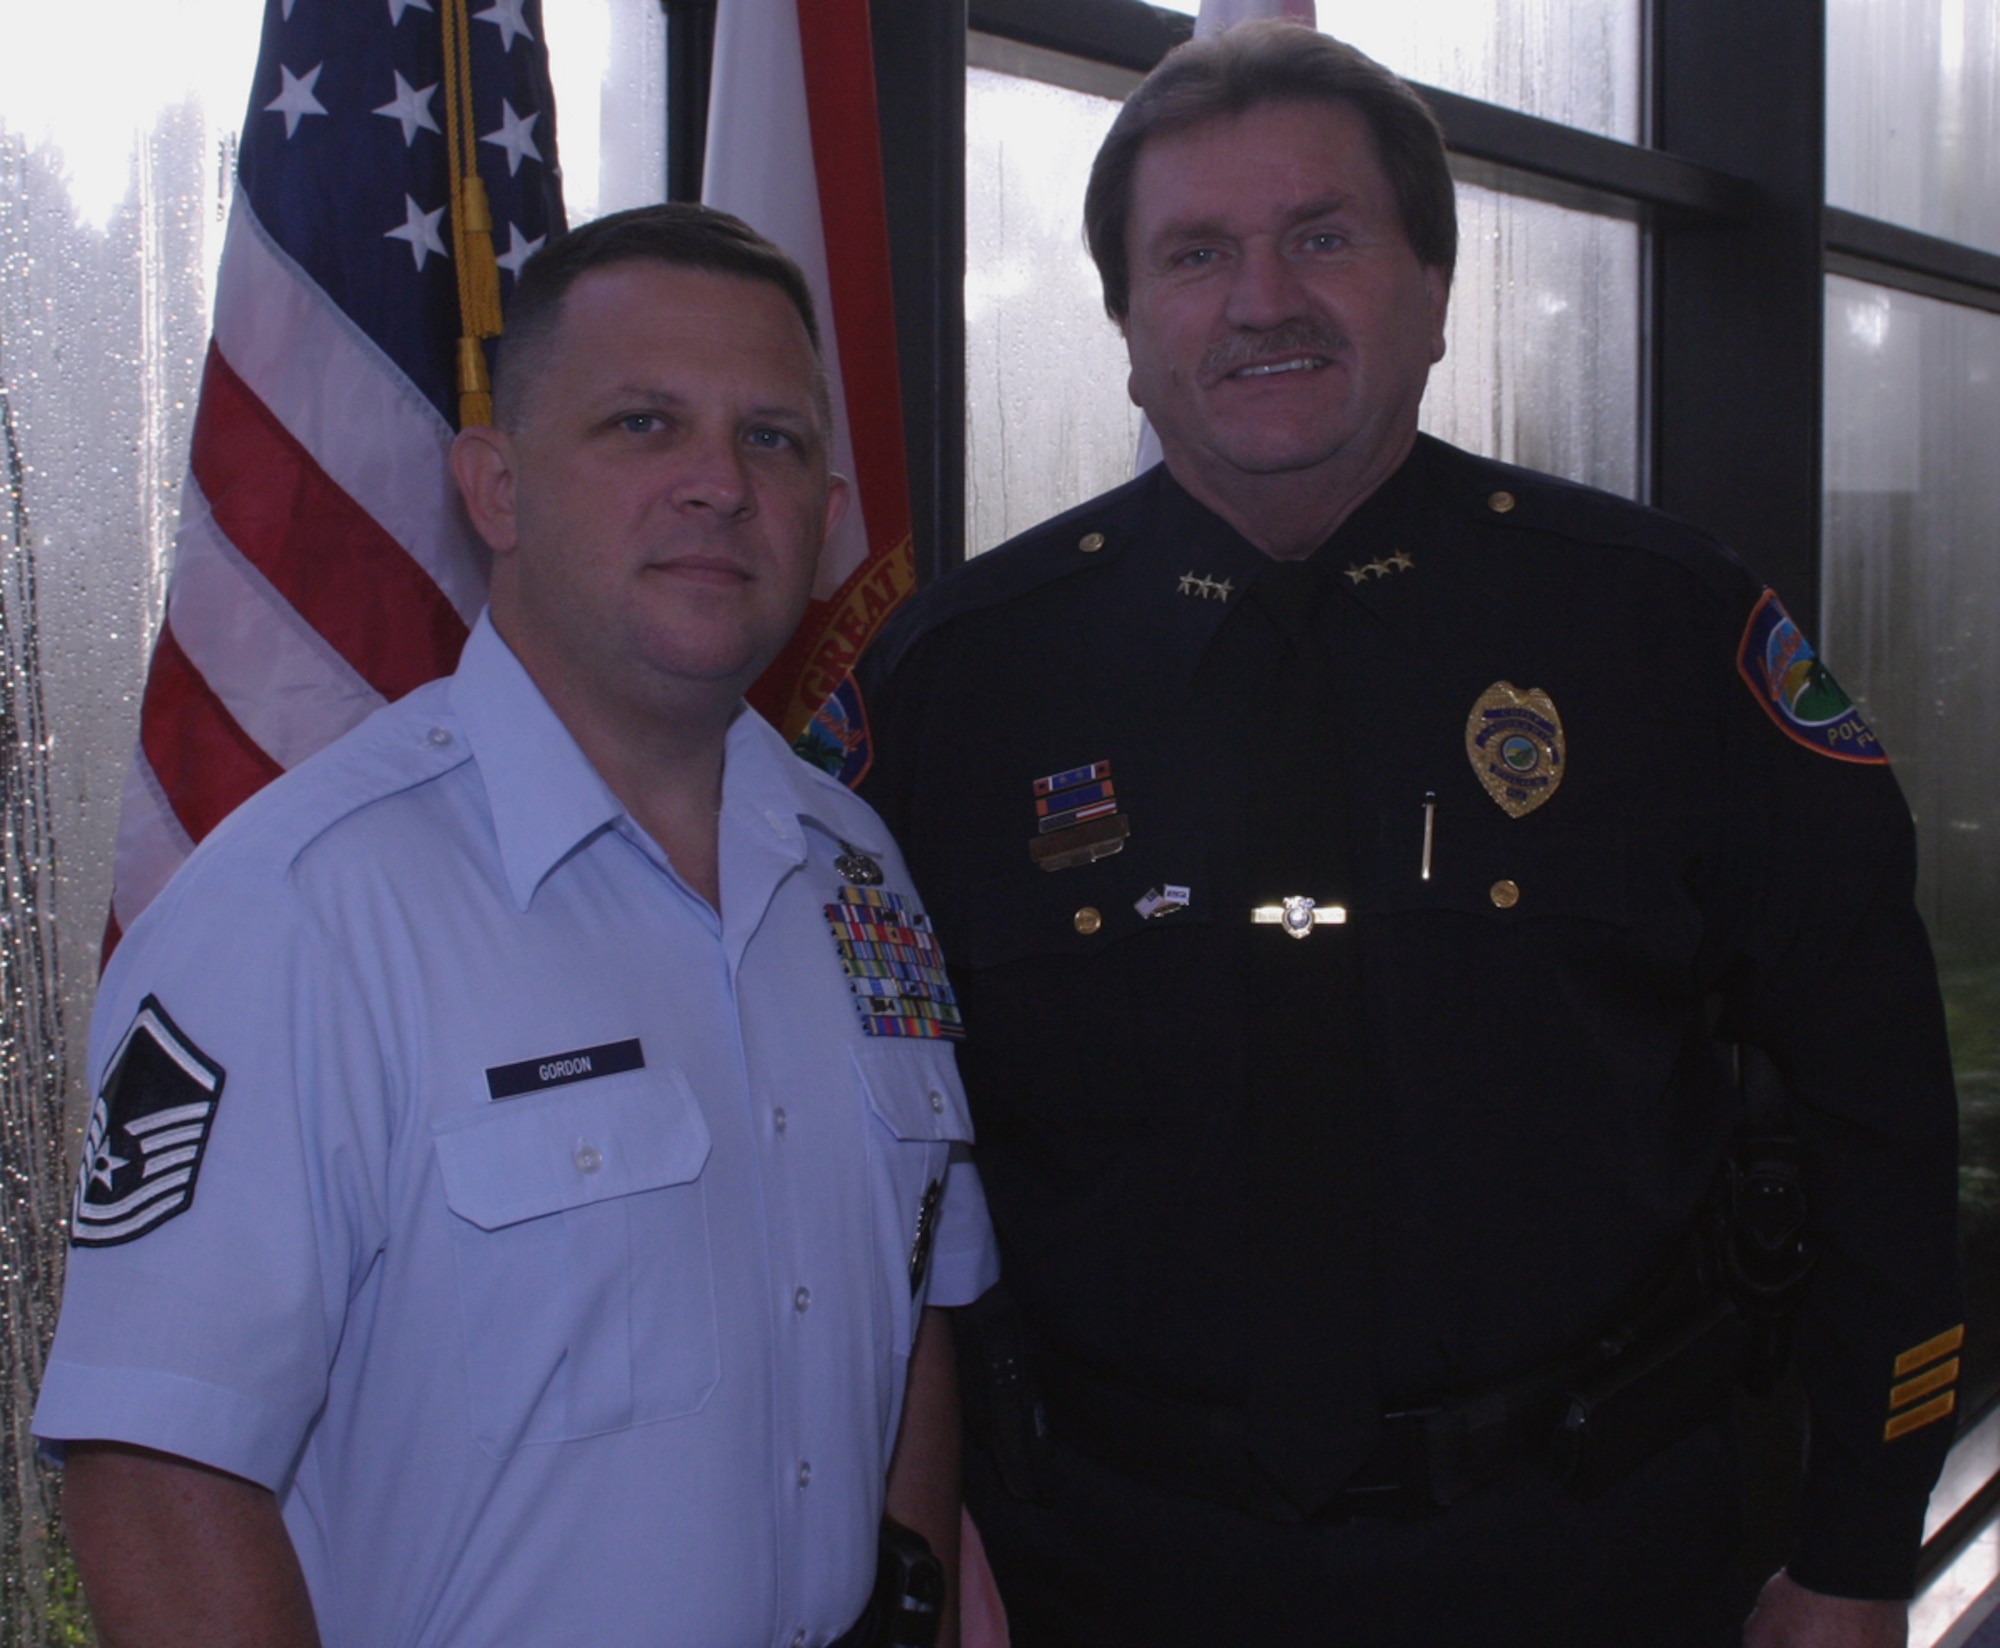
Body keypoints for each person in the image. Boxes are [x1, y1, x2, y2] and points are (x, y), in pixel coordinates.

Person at [843, 23, 1960, 1648]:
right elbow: (862, 1180)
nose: (1261, 298)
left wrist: (1861, 1542)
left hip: (1601, 1561)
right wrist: (918, 1528)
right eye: (1197, 253)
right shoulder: (957, 687)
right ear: (1129, 326)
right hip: (1101, 1571)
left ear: (1434, 293)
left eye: (1322, 236)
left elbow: (1882, 1114)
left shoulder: (1662, 636)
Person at [35, 203, 998, 1648]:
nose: (717, 487)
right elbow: (160, 1471)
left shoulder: (855, 867)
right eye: (641, 425)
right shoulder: (304, 914)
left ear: (828, 521)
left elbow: (915, 1300)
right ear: (493, 488)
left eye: (773, 440)